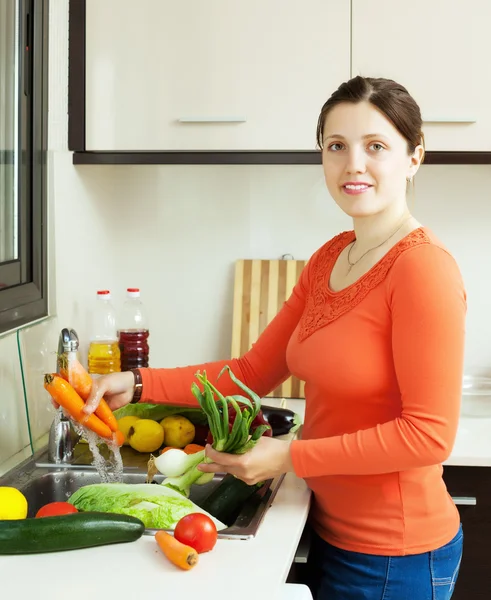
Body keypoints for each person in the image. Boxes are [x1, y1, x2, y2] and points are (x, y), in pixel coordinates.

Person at [85, 76, 466, 600]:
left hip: (395, 553)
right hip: (333, 530)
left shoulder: (424, 270)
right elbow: (250, 372)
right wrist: (138, 382)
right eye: (336, 146)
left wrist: (290, 455)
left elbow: (428, 436)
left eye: (376, 146)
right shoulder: (330, 258)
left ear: (414, 156)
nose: (353, 163)